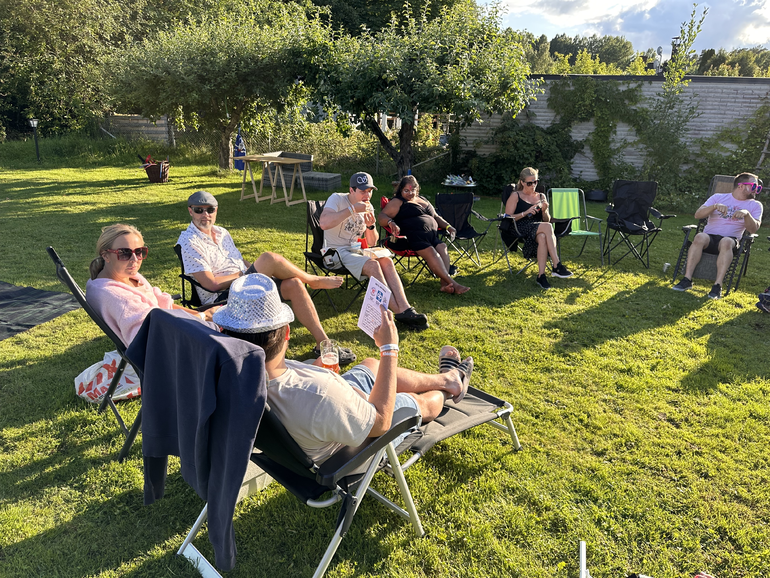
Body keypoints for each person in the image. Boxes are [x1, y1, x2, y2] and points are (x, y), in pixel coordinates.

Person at [213, 273, 474, 464]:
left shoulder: (236, 374)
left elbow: (305, 394)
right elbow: (381, 423)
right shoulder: (318, 393)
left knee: (370, 365)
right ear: (287, 333)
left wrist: (317, 371)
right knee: (415, 403)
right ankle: (449, 387)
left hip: (322, 414)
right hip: (345, 446)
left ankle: (447, 378)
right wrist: (389, 349)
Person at [177, 190, 356, 364]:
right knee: (268, 259)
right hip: (224, 296)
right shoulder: (189, 241)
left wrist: (253, 269)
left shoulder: (222, 232)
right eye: (199, 210)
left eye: (210, 210)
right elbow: (212, 284)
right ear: (190, 211)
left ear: (216, 211)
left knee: (294, 284)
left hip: (246, 283)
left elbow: (238, 260)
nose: (205, 215)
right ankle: (313, 280)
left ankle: (323, 343)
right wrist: (246, 273)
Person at [319, 172, 429, 328]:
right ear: (351, 190)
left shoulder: (368, 206)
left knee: (386, 261)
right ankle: (400, 312)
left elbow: (371, 242)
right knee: (373, 265)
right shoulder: (337, 199)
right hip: (334, 253)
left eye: (369, 191)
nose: (367, 195)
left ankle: (405, 307)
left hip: (355, 251)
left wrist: (370, 226)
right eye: (363, 191)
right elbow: (324, 223)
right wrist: (352, 209)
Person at [86, 223, 217, 346]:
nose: (135, 259)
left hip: (176, 331)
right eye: (124, 253)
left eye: (139, 251)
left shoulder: (127, 276)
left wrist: (201, 314)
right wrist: (202, 317)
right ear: (105, 255)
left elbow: (162, 304)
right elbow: (153, 335)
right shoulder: (117, 297)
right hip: (171, 348)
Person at [673, 172, 763, 299]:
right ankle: (687, 279)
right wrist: (714, 207)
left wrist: (747, 214)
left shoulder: (755, 205)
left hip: (731, 240)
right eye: (754, 186)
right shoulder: (718, 197)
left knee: (726, 241)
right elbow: (698, 215)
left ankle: (717, 286)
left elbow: (753, 229)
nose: (756, 190)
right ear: (741, 186)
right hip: (709, 237)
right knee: (699, 237)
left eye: (758, 187)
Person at [378, 175, 469, 295]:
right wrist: (391, 222)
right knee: (431, 251)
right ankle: (453, 283)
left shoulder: (423, 199)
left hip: (431, 236)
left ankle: (444, 284)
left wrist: (448, 226)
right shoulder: (398, 202)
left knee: (442, 247)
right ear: (401, 190)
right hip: (411, 238)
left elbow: (436, 217)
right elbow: (381, 216)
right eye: (406, 190)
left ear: (417, 189)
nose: (410, 193)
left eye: (413, 190)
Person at [502, 167, 573, 289]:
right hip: (518, 227)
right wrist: (526, 212)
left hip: (538, 227)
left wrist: (544, 210)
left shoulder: (541, 196)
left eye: (535, 182)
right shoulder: (516, 195)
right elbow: (508, 217)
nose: (533, 185)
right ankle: (556, 265)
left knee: (542, 236)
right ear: (522, 182)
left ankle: (541, 276)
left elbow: (546, 219)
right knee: (547, 227)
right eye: (529, 183)